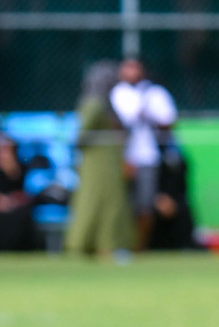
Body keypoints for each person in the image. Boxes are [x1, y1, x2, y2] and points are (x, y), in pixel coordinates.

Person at [66, 63, 134, 259]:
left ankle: (106, 244)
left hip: (107, 162)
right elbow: (82, 133)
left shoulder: (103, 102)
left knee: (111, 203)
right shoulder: (94, 103)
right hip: (97, 164)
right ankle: (89, 243)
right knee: (96, 202)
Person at [108, 57, 178, 252]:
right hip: (122, 156)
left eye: (134, 68)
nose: (130, 72)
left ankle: (140, 247)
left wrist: (148, 116)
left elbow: (168, 121)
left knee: (145, 205)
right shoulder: (116, 93)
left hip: (147, 155)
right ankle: (119, 244)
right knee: (121, 204)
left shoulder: (154, 93)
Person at [0, 133, 37, 252]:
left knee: (22, 214)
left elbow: (21, 189)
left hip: (12, 205)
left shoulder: (20, 167)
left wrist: (10, 168)